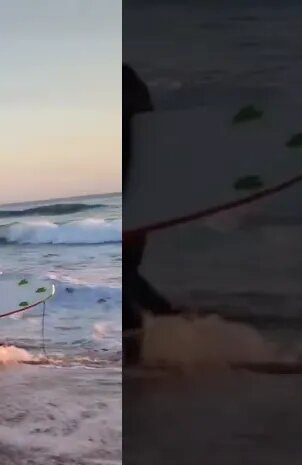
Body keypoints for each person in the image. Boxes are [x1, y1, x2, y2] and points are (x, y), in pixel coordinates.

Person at [124, 64, 177, 364]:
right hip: (137, 206)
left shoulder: (125, 85)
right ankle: (173, 324)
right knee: (128, 276)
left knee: (127, 277)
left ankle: (171, 322)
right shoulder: (131, 84)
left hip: (133, 207)